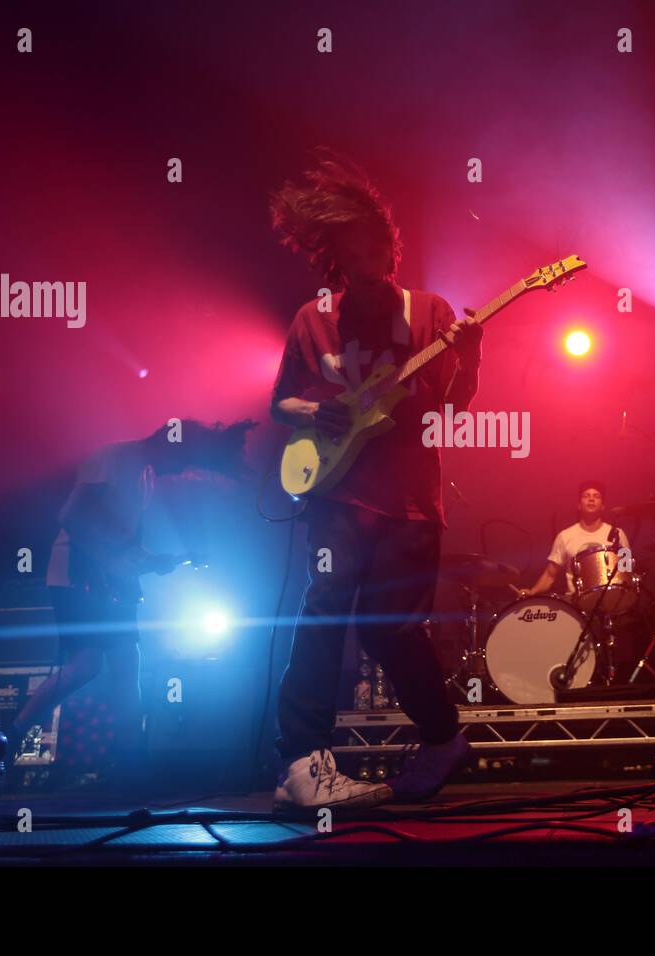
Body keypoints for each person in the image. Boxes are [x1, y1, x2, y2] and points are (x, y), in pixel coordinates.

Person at [268, 153, 483, 813]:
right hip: (338, 491)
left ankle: (444, 738)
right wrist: (314, 409)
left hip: (411, 503)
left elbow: (454, 406)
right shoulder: (313, 318)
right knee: (325, 605)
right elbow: (281, 402)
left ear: (389, 242)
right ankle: (303, 760)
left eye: (376, 236)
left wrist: (468, 350)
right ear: (330, 248)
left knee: (393, 629)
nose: (370, 249)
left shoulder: (429, 310)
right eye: (351, 238)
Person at [11, 419, 251, 780]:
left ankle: (129, 766)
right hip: (77, 576)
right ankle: (9, 737)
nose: (182, 470)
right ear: (172, 445)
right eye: (184, 459)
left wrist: (151, 561)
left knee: (128, 669)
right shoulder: (112, 458)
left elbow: (121, 538)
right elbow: (72, 516)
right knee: (86, 665)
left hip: (110, 583)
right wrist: (122, 557)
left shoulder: (146, 477)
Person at [516, 482, 632, 600]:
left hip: (611, 601)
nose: (591, 499)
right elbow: (550, 574)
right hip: (575, 604)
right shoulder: (565, 536)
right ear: (579, 505)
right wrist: (532, 591)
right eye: (586, 496)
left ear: (602, 506)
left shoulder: (618, 533)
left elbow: (627, 569)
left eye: (596, 496)